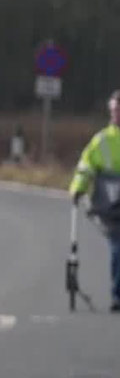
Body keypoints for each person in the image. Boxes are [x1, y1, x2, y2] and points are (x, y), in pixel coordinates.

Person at [70, 90, 120, 312]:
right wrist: (78, 189)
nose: (117, 114)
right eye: (115, 110)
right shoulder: (101, 141)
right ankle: (118, 295)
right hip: (110, 207)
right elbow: (86, 167)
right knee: (118, 249)